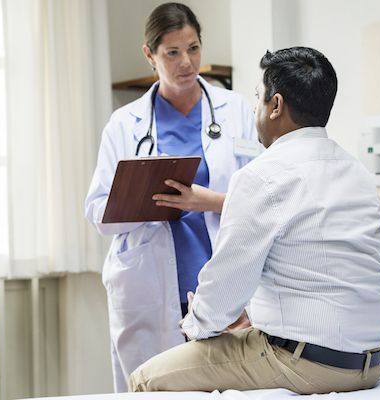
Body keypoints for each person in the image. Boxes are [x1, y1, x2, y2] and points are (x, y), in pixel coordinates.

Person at [128, 47, 380, 394]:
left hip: (306, 364)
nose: (255, 108)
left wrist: (198, 322)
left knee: (145, 380)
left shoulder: (261, 176)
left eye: (258, 97)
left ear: (276, 106)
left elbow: (224, 286)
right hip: (369, 363)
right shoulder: (357, 171)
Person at [84, 3, 259, 392]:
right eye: (173, 53)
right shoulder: (123, 124)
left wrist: (206, 201)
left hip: (218, 285)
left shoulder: (236, 111)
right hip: (150, 286)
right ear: (150, 55)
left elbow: (261, 198)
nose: (187, 62)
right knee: (153, 389)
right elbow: (97, 211)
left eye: (193, 48)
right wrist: (143, 198)